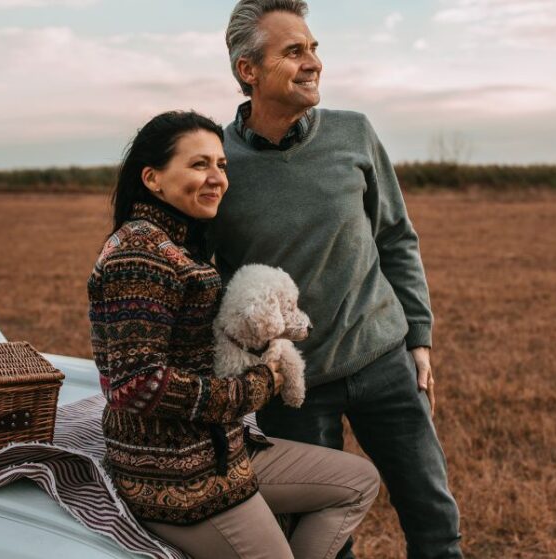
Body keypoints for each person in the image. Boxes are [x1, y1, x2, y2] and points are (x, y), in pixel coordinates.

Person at [209, 2, 464, 558]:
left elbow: (395, 237)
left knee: (433, 519)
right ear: (247, 71)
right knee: (319, 539)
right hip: (293, 387)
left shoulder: (354, 133)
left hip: (383, 361)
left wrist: (418, 338)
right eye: (294, 51)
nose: (313, 63)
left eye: (314, 48)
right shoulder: (220, 164)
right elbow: (212, 281)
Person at [88, 110, 380, 559]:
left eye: (221, 165)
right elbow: (136, 384)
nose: (217, 178)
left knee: (357, 482)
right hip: (175, 474)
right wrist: (258, 386)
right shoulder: (140, 254)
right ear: (153, 178)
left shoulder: (176, 242)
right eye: (198, 164)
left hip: (220, 448)